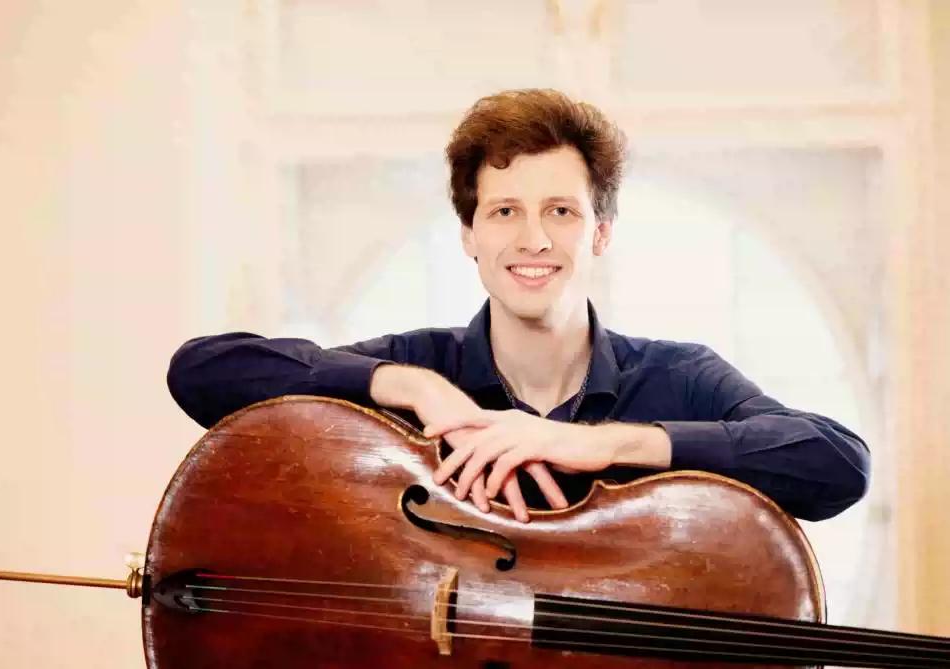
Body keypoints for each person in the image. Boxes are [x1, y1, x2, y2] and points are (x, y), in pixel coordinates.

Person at [167, 88, 869, 524]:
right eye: (505, 211)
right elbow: (202, 373)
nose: (533, 239)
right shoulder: (416, 366)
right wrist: (416, 389)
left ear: (600, 233)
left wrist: (601, 444)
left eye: (561, 210)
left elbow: (838, 463)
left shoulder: (680, 376)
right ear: (469, 234)